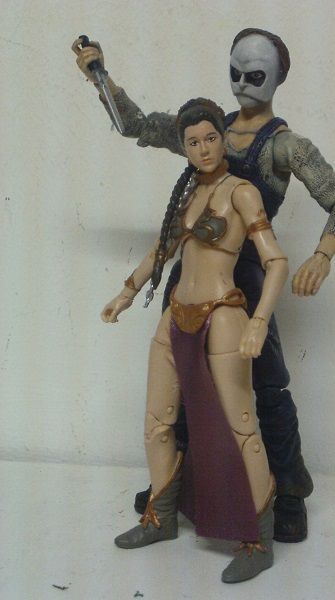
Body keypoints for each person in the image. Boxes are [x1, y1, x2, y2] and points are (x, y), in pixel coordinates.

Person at [72, 28, 335, 543]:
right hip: (190, 270)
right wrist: (101, 77)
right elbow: (137, 125)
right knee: (181, 377)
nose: (243, 82)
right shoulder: (208, 127)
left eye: (256, 74)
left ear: (278, 77)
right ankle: (178, 483)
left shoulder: (286, 146)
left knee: (266, 384)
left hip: (248, 275)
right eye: (236, 71)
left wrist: (323, 255)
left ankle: (287, 491)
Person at [101, 98, 289, 583]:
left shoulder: (241, 192)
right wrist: (126, 292)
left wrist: (259, 321)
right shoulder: (187, 193)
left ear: (223, 139)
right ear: (183, 148)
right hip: (176, 315)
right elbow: (162, 249)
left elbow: (276, 261)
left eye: (210, 138)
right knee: (156, 422)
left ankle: (258, 538)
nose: (203, 149)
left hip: (223, 315)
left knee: (241, 427)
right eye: (193, 142)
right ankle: (161, 517)